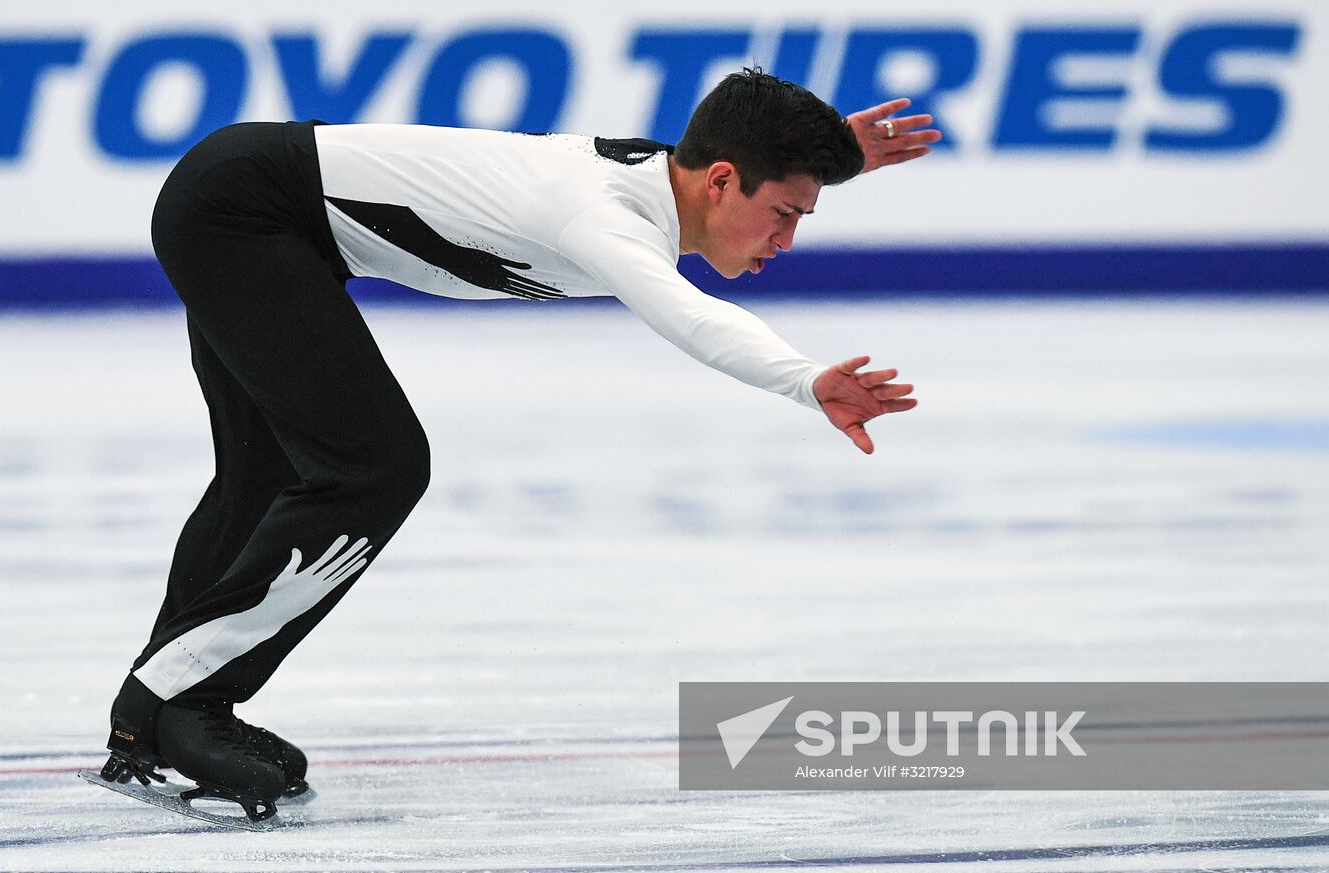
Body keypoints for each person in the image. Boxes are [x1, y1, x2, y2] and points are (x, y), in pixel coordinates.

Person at [95, 68, 936, 820]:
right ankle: (179, 698)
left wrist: (836, 157)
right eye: (785, 212)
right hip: (242, 214)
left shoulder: (666, 179)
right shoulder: (604, 215)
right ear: (720, 179)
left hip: (248, 204)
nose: (786, 240)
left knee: (269, 473)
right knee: (374, 466)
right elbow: (689, 315)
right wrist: (804, 378)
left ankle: (156, 717)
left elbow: (743, 150)